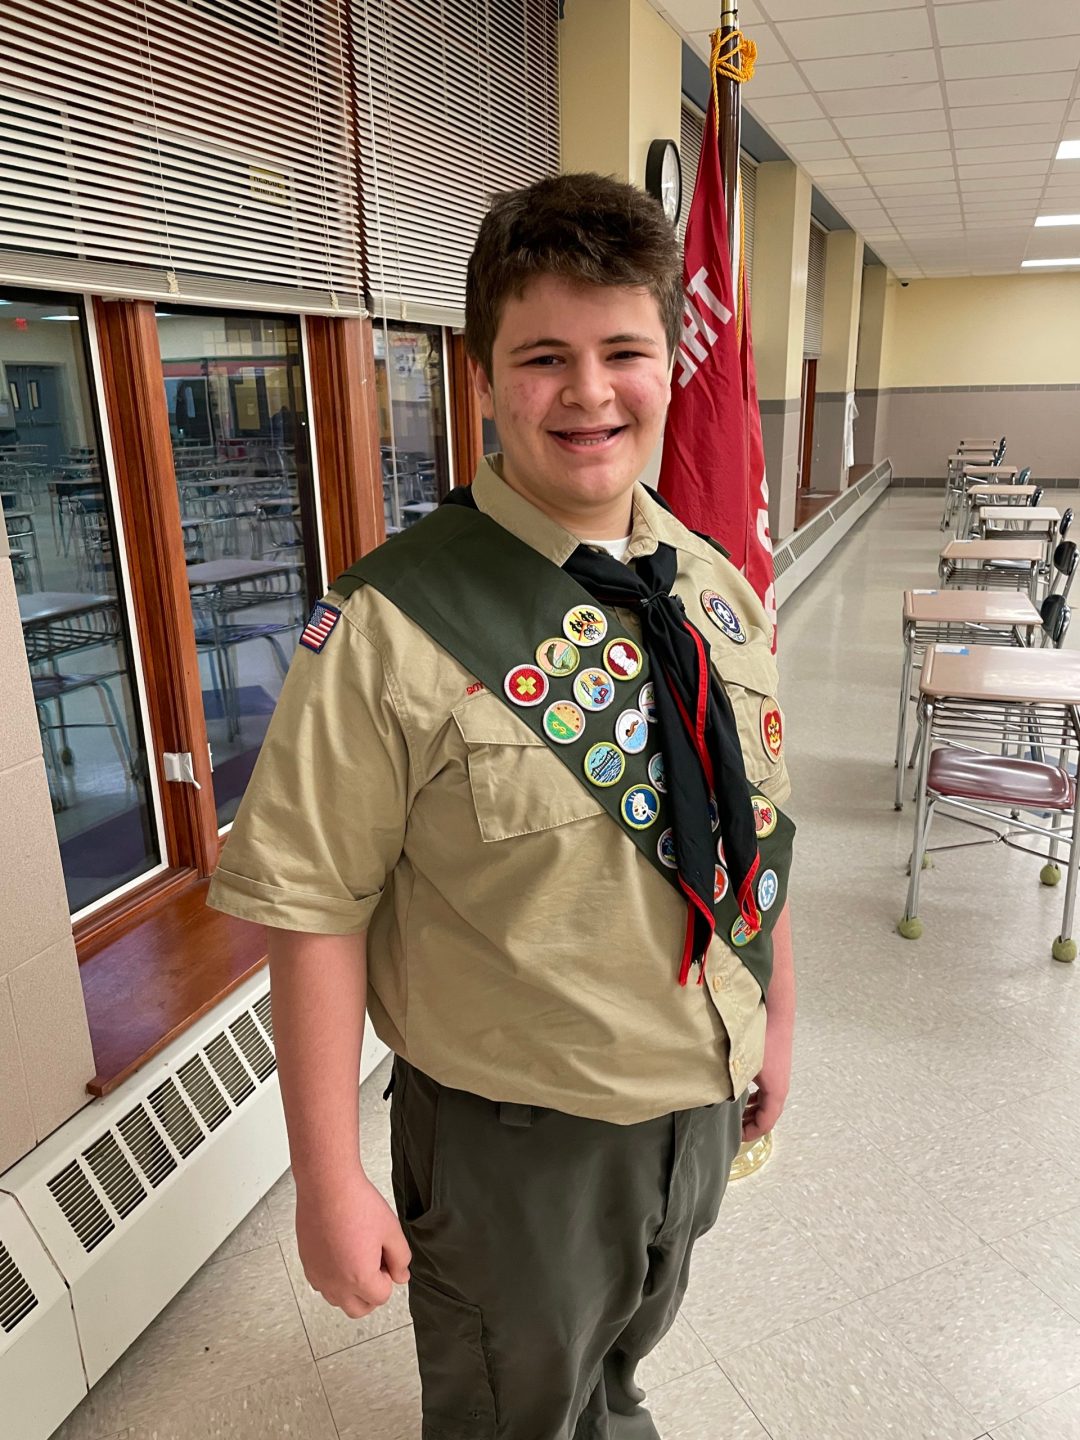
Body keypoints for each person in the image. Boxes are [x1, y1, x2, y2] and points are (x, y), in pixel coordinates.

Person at [207, 171, 796, 1439]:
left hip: (694, 1097)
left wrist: (775, 1026)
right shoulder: (387, 626)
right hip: (516, 1142)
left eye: (624, 351)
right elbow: (315, 914)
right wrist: (326, 1178)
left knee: (618, 1365)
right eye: (543, 358)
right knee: (511, 1414)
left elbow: (759, 835)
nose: (589, 393)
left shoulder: (712, 587)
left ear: (669, 363)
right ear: (483, 377)